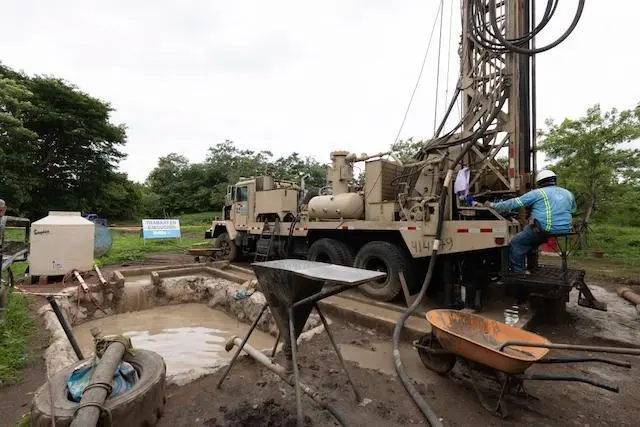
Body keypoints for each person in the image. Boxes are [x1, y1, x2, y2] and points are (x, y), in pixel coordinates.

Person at [486, 170, 576, 274]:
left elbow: (515, 203)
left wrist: (492, 205)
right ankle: (531, 266)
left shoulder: (538, 193)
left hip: (544, 229)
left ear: (540, 183)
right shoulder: (568, 193)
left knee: (516, 243)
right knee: (529, 241)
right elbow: (572, 210)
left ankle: (518, 273)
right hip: (565, 230)